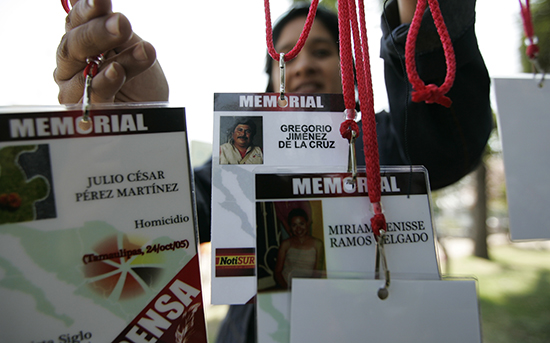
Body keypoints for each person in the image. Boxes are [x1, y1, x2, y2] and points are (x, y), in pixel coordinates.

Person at [55, 1, 493, 342]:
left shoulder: (387, 138)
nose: (301, 64)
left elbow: (446, 143)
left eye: (322, 51)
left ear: (354, 72)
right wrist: (143, 132)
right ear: (270, 88)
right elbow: (173, 217)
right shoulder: (244, 156)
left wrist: (426, 16)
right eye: (283, 60)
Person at [273, 208, 324, 289]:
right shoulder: (286, 244)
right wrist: (288, 289)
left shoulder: (317, 244)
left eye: (301, 224)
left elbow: (317, 273)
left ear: (307, 224)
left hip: (307, 286)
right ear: (290, 227)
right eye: (294, 225)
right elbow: (277, 272)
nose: (298, 228)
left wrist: (308, 288)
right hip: (286, 285)